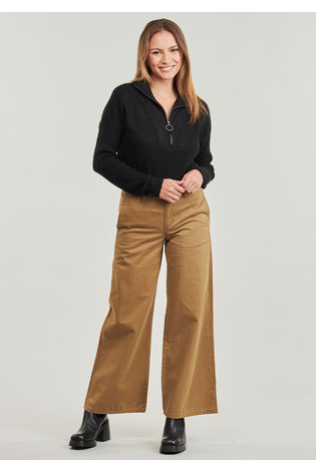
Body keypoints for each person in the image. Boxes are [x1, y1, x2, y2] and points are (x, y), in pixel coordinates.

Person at [69, 18, 218, 455]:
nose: (166, 59)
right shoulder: (124, 99)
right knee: (127, 313)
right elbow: (103, 159)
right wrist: (152, 184)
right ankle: (97, 411)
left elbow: (206, 161)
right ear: (145, 56)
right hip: (140, 214)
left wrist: (200, 174)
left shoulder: (198, 107)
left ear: (183, 54)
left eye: (173, 50)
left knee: (190, 312)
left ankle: (177, 417)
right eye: (157, 51)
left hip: (190, 215)